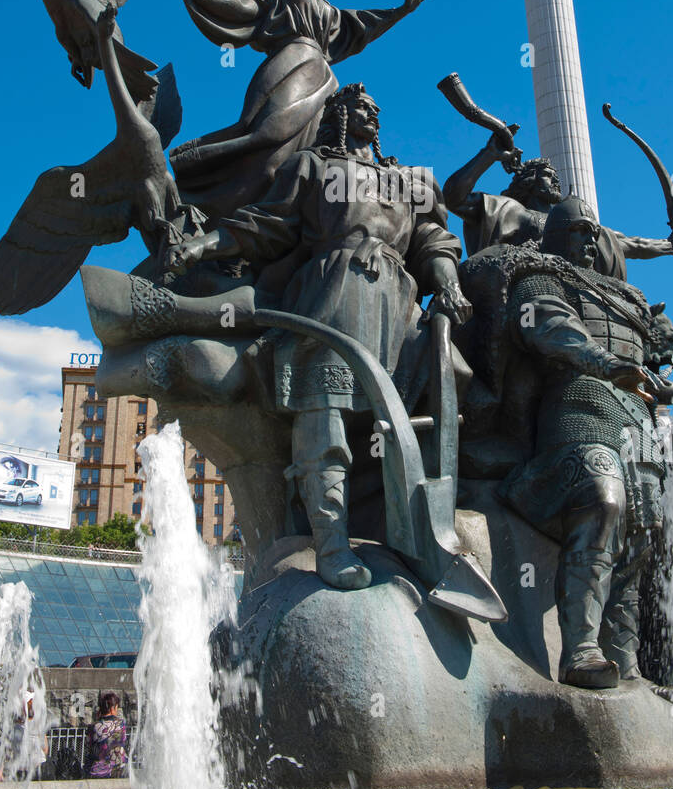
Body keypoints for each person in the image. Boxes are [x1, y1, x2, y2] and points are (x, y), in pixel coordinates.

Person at [166, 82, 471, 591]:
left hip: (397, 303)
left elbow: (432, 240)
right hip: (333, 292)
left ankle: (421, 539)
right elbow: (269, 225)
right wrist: (202, 247)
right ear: (339, 116)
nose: (371, 112)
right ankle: (331, 543)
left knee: (418, 415)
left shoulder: (411, 181)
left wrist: (450, 284)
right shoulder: (310, 167)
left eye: (376, 107)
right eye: (359, 106)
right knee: (322, 413)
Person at [496, 197, 673, 689]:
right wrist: (602, 363)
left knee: (641, 534)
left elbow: (662, 353)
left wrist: (664, 349)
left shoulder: (631, 298)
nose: (587, 239)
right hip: (578, 406)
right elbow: (547, 325)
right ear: (553, 233)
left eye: (591, 231)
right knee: (602, 499)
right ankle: (579, 648)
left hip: (637, 421)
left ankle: (629, 663)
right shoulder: (540, 275)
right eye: (575, 229)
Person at [156, 0, 431, 220]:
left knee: (311, 158)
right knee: (268, 146)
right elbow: (232, 4)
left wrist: (400, 12)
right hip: (288, 63)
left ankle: (292, 225)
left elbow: (356, 28)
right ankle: (211, 206)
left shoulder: (323, 4)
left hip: (324, 78)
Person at [443, 132, 673, 282]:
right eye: (547, 176)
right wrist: (489, 155)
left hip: (580, 289)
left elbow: (630, 244)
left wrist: (670, 246)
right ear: (529, 181)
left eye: (556, 176)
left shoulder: (584, 227)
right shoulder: (515, 213)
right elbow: (454, 198)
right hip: (531, 294)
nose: (556, 181)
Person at [86, 693, 128, 778]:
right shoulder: (120, 724)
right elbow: (123, 740)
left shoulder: (93, 726)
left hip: (98, 770)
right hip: (118, 768)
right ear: (113, 708)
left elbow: (90, 746)